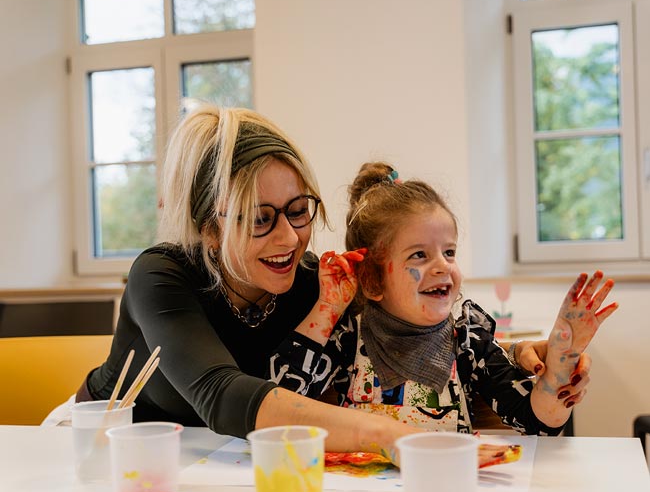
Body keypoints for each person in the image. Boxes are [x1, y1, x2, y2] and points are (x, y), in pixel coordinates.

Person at [63, 105, 590, 462]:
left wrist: (519, 354)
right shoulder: (162, 276)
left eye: (298, 210)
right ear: (211, 229)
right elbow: (222, 394)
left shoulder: (314, 281)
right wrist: (394, 437)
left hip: (225, 459)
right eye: (260, 219)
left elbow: (402, 327)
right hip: (102, 448)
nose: (289, 238)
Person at [323, 162, 617, 434]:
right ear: (372, 279)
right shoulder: (347, 336)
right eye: (419, 255)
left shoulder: (469, 342)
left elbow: (535, 422)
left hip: (448, 474)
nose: (443, 266)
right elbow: (294, 397)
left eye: (449, 252)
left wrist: (559, 370)